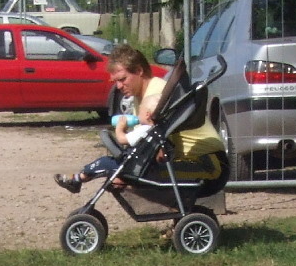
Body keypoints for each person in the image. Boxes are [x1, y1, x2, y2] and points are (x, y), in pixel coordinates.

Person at [53, 45, 225, 192]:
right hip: (189, 161)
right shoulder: (140, 98)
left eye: (122, 79)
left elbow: (160, 149)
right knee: (129, 174)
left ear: (139, 71)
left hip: (209, 164)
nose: (119, 86)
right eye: (115, 81)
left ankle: (178, 215)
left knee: (135, 176)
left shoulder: (157, 96)